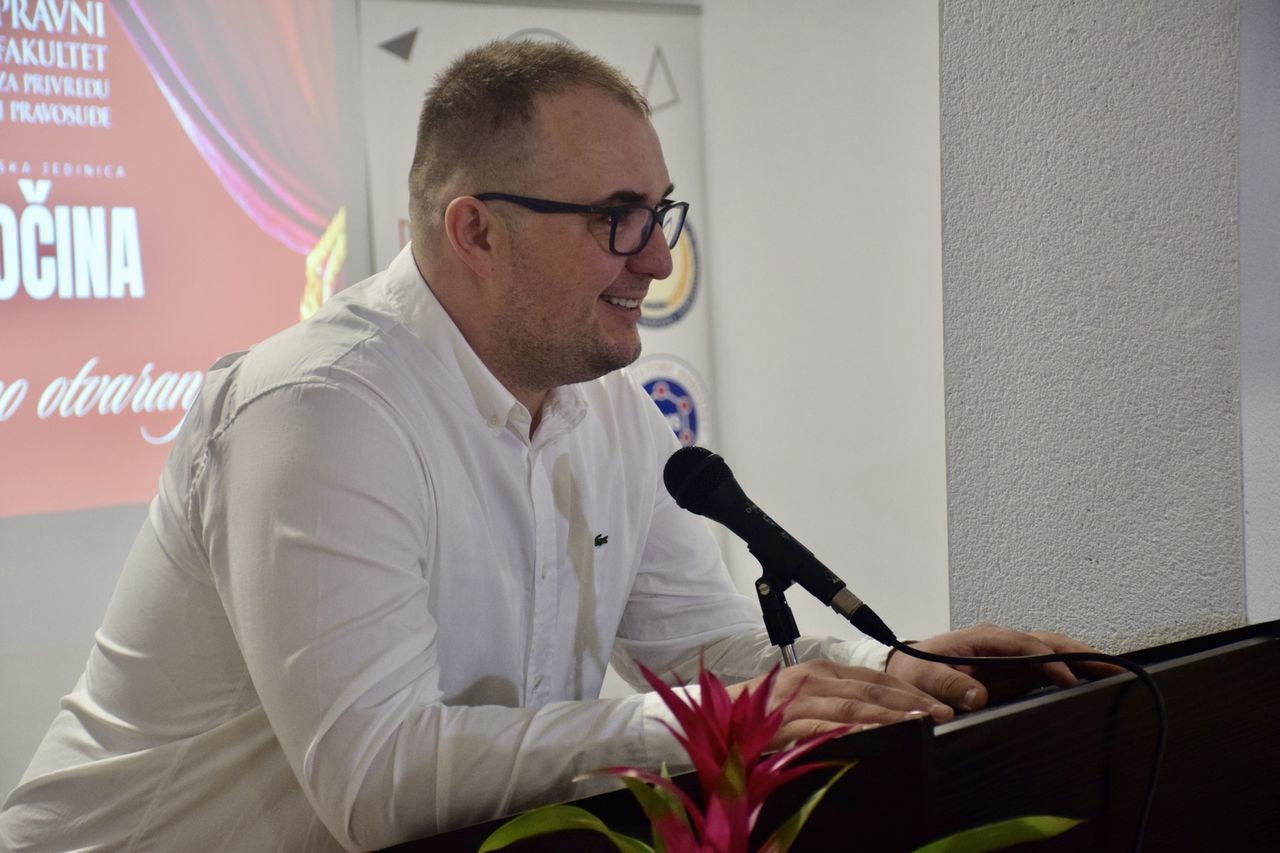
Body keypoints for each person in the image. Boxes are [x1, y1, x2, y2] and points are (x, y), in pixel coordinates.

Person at [0, 41, 1105, 852]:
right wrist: (711, 722)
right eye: (616, 218)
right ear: (475, 229)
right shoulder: (321, 409)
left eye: (661, 214)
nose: (655, 261)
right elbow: (378, 782)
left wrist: (888, 673)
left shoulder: (609, 407)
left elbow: (703, 653)